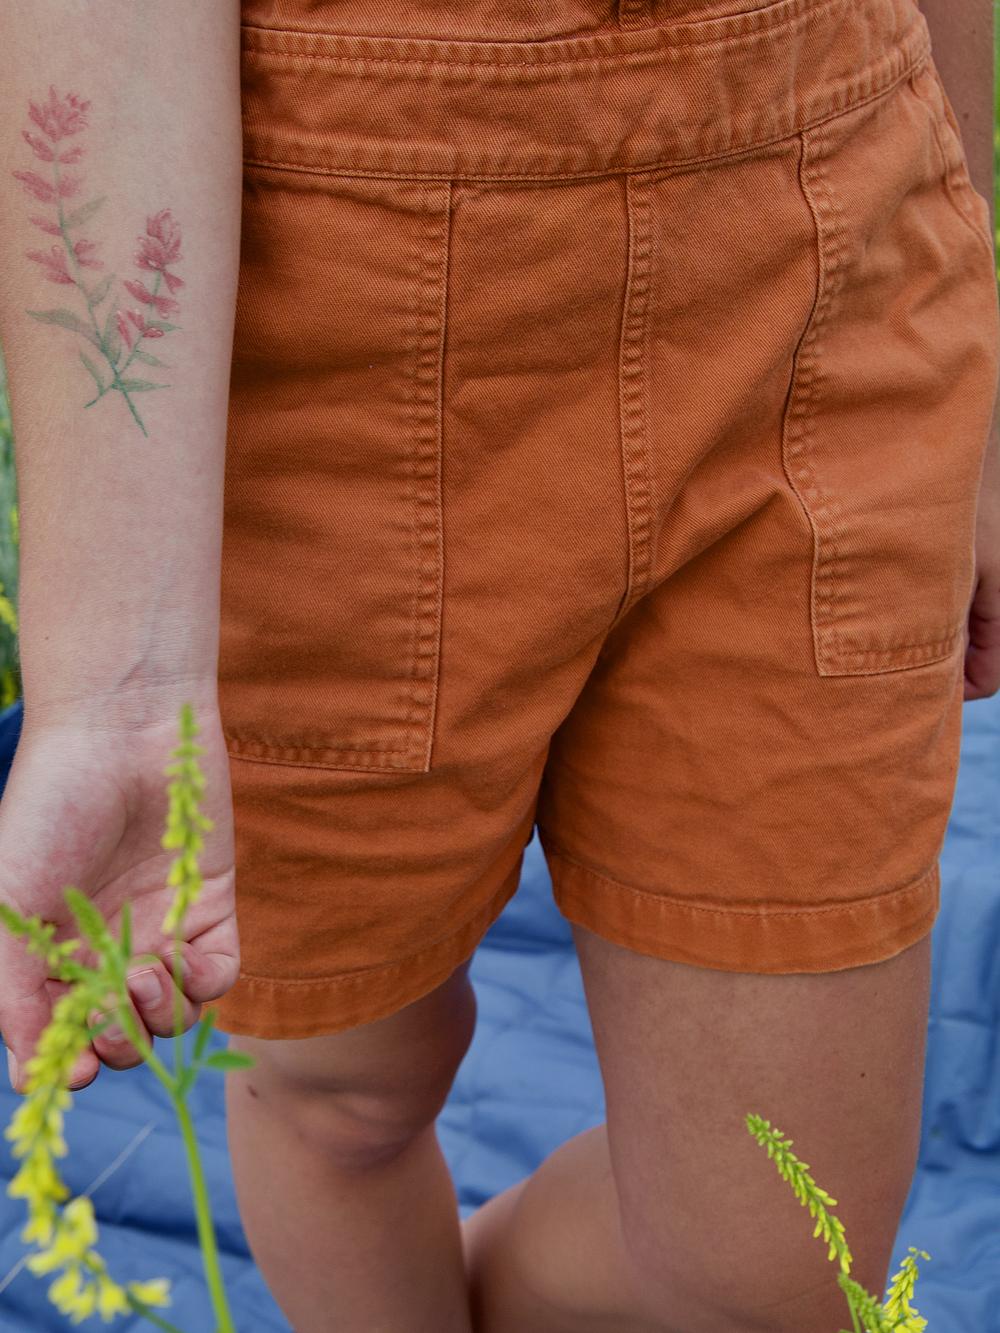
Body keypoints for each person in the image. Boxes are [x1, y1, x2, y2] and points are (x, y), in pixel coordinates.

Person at [1, 1, 997, 1329]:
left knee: (774, 1264)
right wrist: (115, 695)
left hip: (827, 240)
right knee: (346, 1094)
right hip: (333, 307)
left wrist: (982, 379)